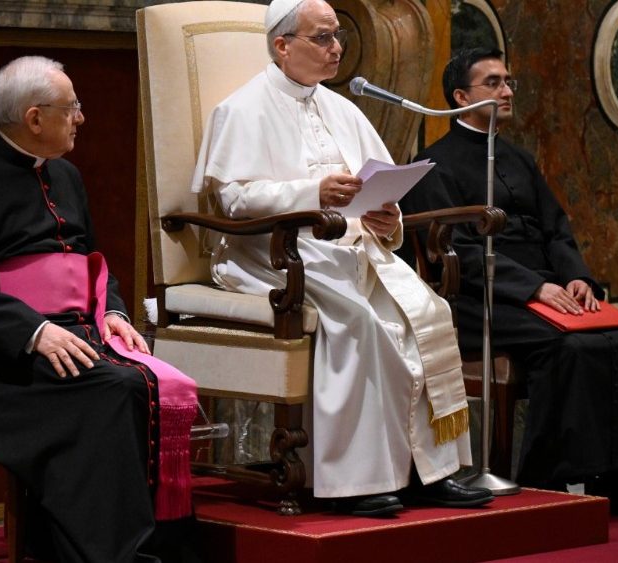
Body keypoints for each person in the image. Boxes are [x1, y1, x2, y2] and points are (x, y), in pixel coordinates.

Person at [190, 0, 493, 516]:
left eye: (338, 38)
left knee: (430, 313)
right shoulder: (241, 110)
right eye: (323, 38)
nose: (336, 49)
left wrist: (387, 219)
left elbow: (376, 187)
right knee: (360, 322)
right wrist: (312, 192)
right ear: (282, 44)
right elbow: (233, 199)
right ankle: (356, 480)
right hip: (276, 253)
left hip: (349, 246)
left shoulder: (342, 108)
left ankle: (431, 471)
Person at [0, 56, 199, 561]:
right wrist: (35, 332)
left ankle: (107, 544)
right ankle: (116, 553)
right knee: (117, 390)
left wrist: (113, 313)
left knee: (156, 385)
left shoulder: (68, 176)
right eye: (72, 107)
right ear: (35, 119)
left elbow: (91, 264)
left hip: (83, 336)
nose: (81, 117)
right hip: (1, 361)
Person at [401, 48, 618, 518]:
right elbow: (455, 254)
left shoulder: (519, 158)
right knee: (569, 350)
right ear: (459, 97)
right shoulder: (435, 165)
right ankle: (547, 484)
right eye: (493, 83)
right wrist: (533, 288)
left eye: (509, 81)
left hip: (549, 291)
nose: (507, 91)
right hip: (482, 301)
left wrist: (576, 278)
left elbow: (556, 228)